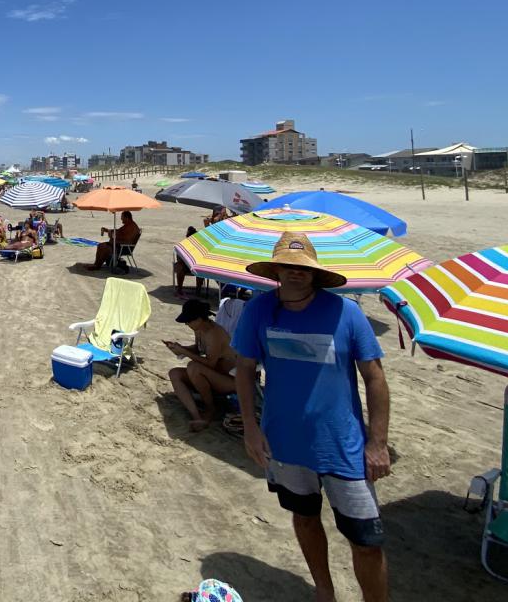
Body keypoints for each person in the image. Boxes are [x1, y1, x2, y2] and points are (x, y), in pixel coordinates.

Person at [231, 233, 390, 602]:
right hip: (285, 443)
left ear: (314, 272)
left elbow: (375, 377)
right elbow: (244, 370)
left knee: (366, 540)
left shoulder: (345, 312)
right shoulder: (259, 311)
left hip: (343, 446)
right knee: (304, 518)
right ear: (276, 270)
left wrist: (378, 442)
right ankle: (324, 590)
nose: (295, 272)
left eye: (302, 267)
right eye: (288, 265)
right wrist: (251, 430)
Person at [165, 299, 238, 431]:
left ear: (199, 319)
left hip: (229, 380)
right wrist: (180, 348)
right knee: (174, 373)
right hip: (214, 375)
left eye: (189, 321)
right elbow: (199, 350)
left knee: (193, 367)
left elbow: (210, 363)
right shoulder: (199, 329)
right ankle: (196, 415)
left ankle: (210, 409)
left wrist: (184, 352)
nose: (187, 324)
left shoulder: (215, 333)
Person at [174, 225, 206, 297]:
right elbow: (179, 258)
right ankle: (179, 289)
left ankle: (198, 291)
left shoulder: (200, 246)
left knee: (200, 268)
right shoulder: (183, 245)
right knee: (180, 267)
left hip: (196, 265)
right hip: (185, 265)